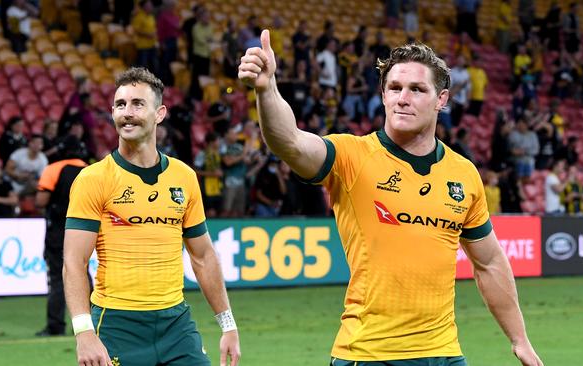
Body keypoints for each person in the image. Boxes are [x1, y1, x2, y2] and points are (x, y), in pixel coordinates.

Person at [239, 30, 542, 366]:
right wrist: (267, 90)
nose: (403, 98)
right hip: (370, 355)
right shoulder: (351, 157)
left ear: (441, 99)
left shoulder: (464, 174)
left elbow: (489, 262)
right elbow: (290, 142)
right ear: (383, 95)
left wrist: (520, 340)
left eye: (417, 89)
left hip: (444, 354)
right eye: (395, 88)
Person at [63, 68, 240, 366]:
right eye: (120, 105)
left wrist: (228, 324)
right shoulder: (93, 179)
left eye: (137, 104)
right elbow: (74, 262)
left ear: (159, 114)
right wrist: (84, 333)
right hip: (118, 325)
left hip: (176, 323)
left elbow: (203, 256)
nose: (127, 113)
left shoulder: (184, 176)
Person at [35, 136, 89, 337]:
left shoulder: (54, 168)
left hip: (58, 231)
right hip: (86, 231)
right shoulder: (90, 170)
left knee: (58, 277)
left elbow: (41, 200)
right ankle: (90, 324)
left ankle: (56, 326)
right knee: (83, 275)